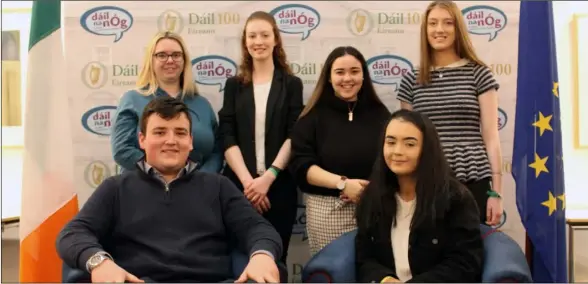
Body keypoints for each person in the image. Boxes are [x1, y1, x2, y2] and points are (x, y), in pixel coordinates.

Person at [57, 97, 282, 283]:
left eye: (180, 132)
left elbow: (258, 228)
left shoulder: (218, 185)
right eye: (160, 132)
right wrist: (100, 262)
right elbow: (73, 234)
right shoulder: (116, 188)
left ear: (191, 141)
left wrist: (262, 256)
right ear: (142, 140)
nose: (171, 141)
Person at [397, 0, 503, 226]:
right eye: (433, 23)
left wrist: (496, 193)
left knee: (471, 253)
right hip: (426, 182)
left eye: (448, 23)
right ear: (425, 30)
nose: (439, 30)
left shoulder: (479, 74)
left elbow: (492, 137)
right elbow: (407, 143)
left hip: (473, 179)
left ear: (458, 29)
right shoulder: (410, 81)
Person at [355, 109, 483, 283]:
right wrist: (384, 279)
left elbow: (464, 263)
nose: (397, 151)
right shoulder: (372, 197)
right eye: (391, 142)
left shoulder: (456, 199)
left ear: (426, 150)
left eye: (410, 144)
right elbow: (364, 257)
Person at [218, 11, 303, 264]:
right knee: (237, 260)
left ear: (275, 39)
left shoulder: (291, 84)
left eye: (265, 35)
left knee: (276, 261)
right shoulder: (234, 85)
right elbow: (227, 134)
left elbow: (294, 134)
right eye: (252, 35)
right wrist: (249, 184)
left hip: (279, 189)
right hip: (238, 188)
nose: (259, 41)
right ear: (245, 42)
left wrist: (268, 178)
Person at [289, 46, 391, 255]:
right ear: (328, 77)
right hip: (328, 212)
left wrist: (372, 189)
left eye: (354, 71)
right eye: (340, 72)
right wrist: (343, 184)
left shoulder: (380, 114)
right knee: (333, 273)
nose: (347, 78)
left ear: (364, 75)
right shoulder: (312, 117)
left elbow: (393, 160)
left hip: (375, 208)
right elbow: (302, 166)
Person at [111, 31, 222, 173]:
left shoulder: (202, 104)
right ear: (151, 60)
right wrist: (162, 176)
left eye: (176, 55)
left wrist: (199, 180)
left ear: (184, 60)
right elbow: (121, 149)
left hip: (197, 191)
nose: (170, 60)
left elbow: (216, 152)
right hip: (143, 189)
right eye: (162, 55)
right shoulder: (132, 99)